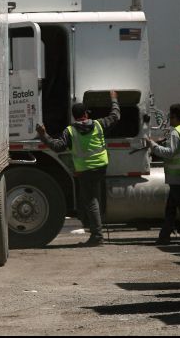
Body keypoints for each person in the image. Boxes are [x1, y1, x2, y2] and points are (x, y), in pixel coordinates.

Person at [36, 90, 120, 247]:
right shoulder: (99, 124)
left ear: (74, 117)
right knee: (94, 199)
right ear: (86, 114)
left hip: (85, 170)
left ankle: (97, 236)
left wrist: (43, 135)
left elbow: (57, 146)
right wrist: (114, 99)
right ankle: (95, 230)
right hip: (101, 167)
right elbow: (115, 116)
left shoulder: (70, 131)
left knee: (91, 201)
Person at [148, 103, 180, 246]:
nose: (169, 120)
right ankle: (164, 237)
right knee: (171, 209)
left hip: (178, 176)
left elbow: (170, 153)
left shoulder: (175, 132)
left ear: (175, 117)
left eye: (170, 117)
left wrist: (153, 145)